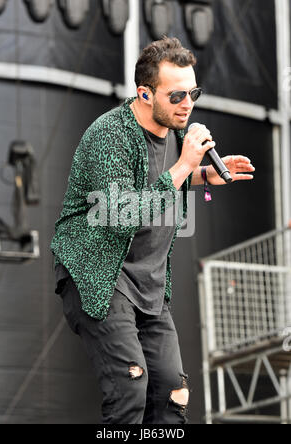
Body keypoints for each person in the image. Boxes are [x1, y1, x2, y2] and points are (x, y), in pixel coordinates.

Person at [50, 37, 255, 424]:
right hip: (98, 276)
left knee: (172, 394)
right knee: (130, 386)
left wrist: (203, 173)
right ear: (145, 94)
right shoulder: (110, 135)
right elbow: (120, 213)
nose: (188, 103)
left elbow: (156, 183)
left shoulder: (176, 134)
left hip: (149, 287)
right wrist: (183, 167)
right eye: (176, 95)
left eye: (193, 92)